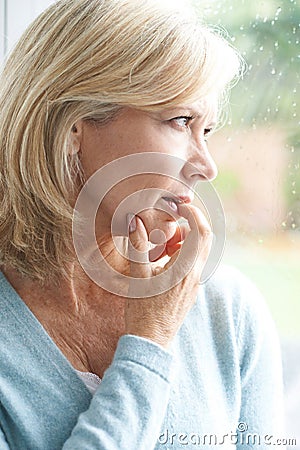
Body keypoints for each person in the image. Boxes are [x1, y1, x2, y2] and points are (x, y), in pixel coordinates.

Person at [0, 0, 285, 449]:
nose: (206, 166)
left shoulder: (228, 311)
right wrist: (148, 342)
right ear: (73, 125)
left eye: (206, 130)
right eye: (180, 120)